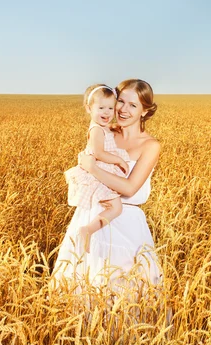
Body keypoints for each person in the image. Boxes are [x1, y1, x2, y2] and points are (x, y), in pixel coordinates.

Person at [52, 79, 162, 293]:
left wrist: (93, 168)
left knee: (124, 291)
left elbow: (129, 188)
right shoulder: (104, 132)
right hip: (91, 215)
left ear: (145, 111)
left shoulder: (150, 145)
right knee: (82, 285)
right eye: (120, 101)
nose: (123, 110)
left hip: (126, 222)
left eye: (133, 105)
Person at [64, 84, 129, 253]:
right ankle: (88, 230)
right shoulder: (96, 130)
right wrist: (119, 160)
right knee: (116, 207)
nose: (106, 113)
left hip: (101, 170)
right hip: (97, 172)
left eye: (110, 108)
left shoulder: (104, 128)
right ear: (88, 108)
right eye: (101, 108)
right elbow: (99, 153)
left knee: (111, 206)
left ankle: (92, 230)